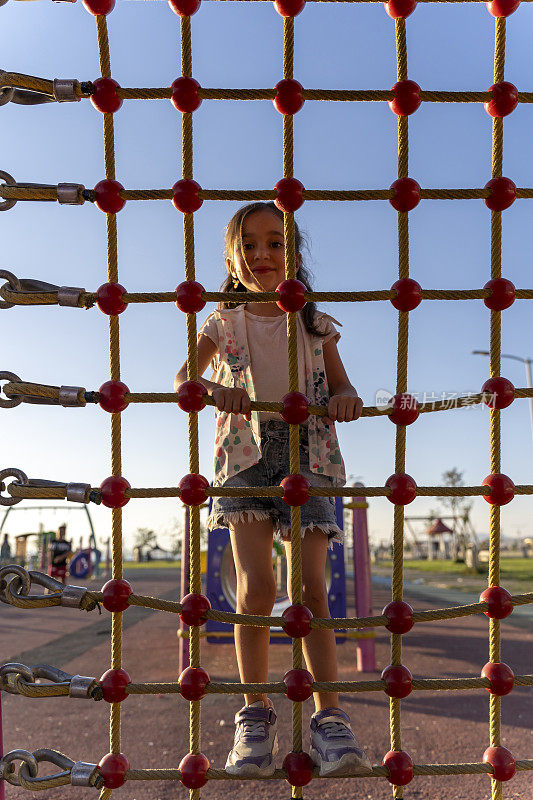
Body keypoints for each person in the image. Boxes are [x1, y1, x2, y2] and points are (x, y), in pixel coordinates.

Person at [174, 201, 371, 778]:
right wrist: (215, 390)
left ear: (295, 254)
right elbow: (185, 377)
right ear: (233, 259)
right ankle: (254, 713)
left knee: (310, 590)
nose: (263, 254)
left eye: (276, 243)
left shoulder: (314, 321)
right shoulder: (223, 321)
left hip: (309, 454)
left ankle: (330, 718)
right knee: (257, 590)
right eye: (250, 245)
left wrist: (346, 398)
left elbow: (341, 384)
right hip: (244, 455)